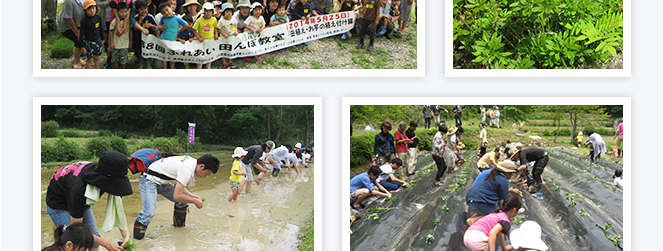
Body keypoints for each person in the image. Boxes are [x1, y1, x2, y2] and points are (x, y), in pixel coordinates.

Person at [45, 151, 133, 251]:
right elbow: (76, 230)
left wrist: (126, 235)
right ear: (104, 178)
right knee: (74, 243)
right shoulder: (78, 187)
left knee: (94, 241)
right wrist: (105, 242)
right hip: (59, 203)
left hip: (81, 202)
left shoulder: (110, 174)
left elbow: (119, 209)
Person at [133, 154, 220, 239]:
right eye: (207, 173)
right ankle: (137, 240)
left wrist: (191, 196)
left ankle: (179, 231)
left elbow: (179, 186)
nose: (205, 176)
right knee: (148, 213)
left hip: (162, 181)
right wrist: (195, 201)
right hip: (149, 180)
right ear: (201, 166)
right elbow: (177, 196)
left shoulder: (190, 161)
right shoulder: (187, 168)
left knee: (182, 202)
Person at [465, 161, 521, 226]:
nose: (512, 175)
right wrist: (503, 212)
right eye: (511, 173)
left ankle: (476, 216)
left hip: (470, 199)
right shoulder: (503, 180)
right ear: (506, 172)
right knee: (496, 214)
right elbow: (503, 199)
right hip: (478, 202)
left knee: (493, 206)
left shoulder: (492, 175)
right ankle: (473, 220)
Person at [55, 0, 86, 68]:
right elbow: (69, 19)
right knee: (78, 40)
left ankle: (76, 58)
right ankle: (77, 62)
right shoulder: (68, 2)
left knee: (82, 39)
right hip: (66, 26)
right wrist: (76, 32)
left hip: (77, 24)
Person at [157, 1, 187, 68]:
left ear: (171, 8)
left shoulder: (177, 18)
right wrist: (160, 27)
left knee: (172, 56)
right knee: (164, 55)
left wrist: (178, 31)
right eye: (164, 12)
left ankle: (172, 68)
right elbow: (159, 24)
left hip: (173, 40)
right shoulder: (163, 18)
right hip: (164, 39)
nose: (166, 13)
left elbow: (186, 25)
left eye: (167, 10)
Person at [79, 0, 105, 69]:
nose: (92, 11)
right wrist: (82, 46)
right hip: (88, 42)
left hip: (97, 40)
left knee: (96, 58)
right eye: (89, 9)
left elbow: (101, 29)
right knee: (89, 59)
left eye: (93, 8)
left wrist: (103, 39)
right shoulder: (84, 21)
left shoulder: (98, 18)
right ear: (85, 10)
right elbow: (81, 34)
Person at [192, 2, 218, 69]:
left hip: (210, 40)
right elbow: (194, 29)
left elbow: (215, 27)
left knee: (209, 54)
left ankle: (208, 67)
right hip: (201, 41)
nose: (208, 13)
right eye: (206, 11)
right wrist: (199, 37)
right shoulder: (199, 20)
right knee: (201, 55)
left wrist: (216, 34)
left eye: (210, 11)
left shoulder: (214, 19)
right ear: (203, 12)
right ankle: (199, 67)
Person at [132, 0, 158, 69]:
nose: (144, 11)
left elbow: (156, 27)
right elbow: (135, 29)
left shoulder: (150, 16)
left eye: (145, 9)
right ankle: (141, 63)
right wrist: (140, 21)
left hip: (148, 38)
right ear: (137, 9)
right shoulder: (136, 17)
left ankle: (149, 64)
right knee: (140, 51)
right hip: (139, 38)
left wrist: (150, 25)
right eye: (141, 9)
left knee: (148, 51)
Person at [109, 2, 132, 69]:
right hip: (116, 44)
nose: (124, 14)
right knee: (115, 58)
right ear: (117, 12)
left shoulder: (128, 21)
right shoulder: (115, 21)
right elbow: (111, 32)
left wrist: (130, 42)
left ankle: (123, 68)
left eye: (125, 12)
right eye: (122, 12)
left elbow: (130, 32)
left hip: (125, 44)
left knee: (124, 58)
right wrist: (111, 42)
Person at [217, 2, 239, 68]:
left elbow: (235, 25)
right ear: (223, 12)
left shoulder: (233, 19)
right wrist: (224, 34)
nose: (229, 13)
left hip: (231, 37)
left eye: (230, 11)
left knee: (231, 48)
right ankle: (224, 62)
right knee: (224, 48)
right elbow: (218, 28)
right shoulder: (221, 21)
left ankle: (230, 61)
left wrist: (236, 31)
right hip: (224, 38)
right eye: (227, 11)